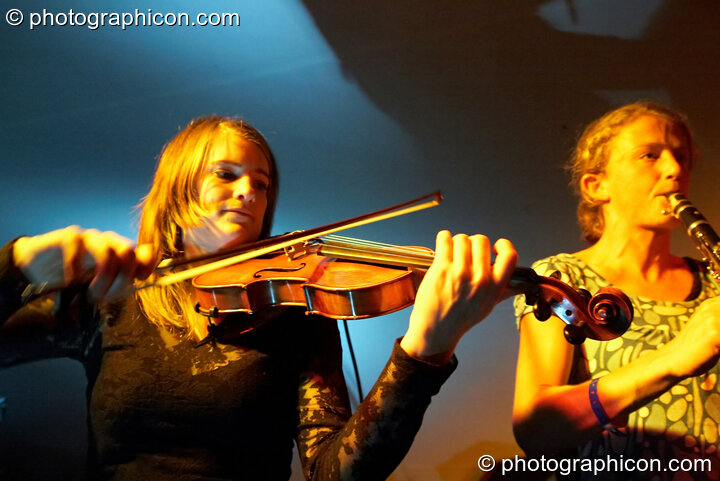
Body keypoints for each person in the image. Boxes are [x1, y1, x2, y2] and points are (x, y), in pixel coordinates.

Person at [0, 115, 518, 481]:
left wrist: (424, 353)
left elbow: (332, 473)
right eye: (225, 175)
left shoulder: (295, 315)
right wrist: (19, 260)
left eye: (262, 183)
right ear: (178, 190)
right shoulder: (111, 300)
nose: (249, 191)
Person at [512, 102, 720, 480]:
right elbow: (536, 430)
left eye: (683, 158)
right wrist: (677, 355)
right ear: (597, 185)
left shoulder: (713, 283)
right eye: (649, 155)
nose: (675, 170)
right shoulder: (561, 277)